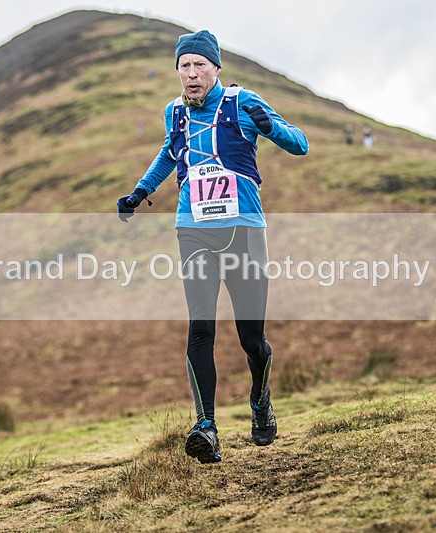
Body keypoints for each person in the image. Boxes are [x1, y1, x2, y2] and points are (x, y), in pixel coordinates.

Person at [117, 30, 309, 464]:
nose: (190, 73)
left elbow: (300, 143)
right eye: (183, 66)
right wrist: (139, 191)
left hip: (244, 229)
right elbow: (170, 152)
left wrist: (270, 126)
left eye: (198, 65)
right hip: (194, 230)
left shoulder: (242, 102)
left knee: (251, 338)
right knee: (200, 328)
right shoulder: (175, 113)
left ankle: (260, 402)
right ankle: (205, 427)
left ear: (216, 68)